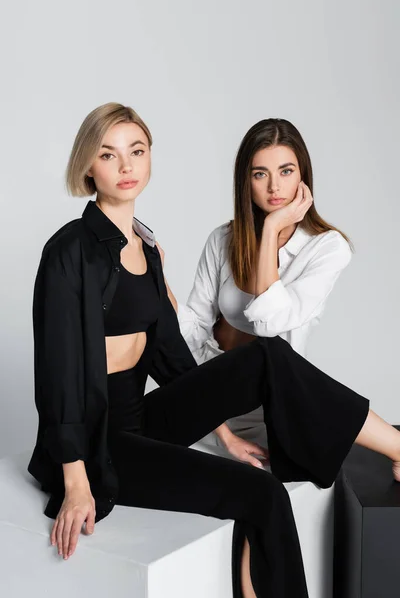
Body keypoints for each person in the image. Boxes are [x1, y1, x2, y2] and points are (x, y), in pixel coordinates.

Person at [27, 103, 400, 598]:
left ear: (150, 158)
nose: (126, 167)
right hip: (100, 447)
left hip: (141, 419)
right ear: (87, 166)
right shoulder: (68, 251)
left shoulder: (145, 245)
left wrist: (221, 433)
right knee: (262, 494)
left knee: (267, 355)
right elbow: (58, 373)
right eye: (109, 155)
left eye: (136, 151)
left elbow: (169, 355)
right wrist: (75, 481)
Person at [167, 118, 355, 468]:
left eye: (286, 171)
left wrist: (271, 230)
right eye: (260, 174)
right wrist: (158, 290)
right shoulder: (224, 238)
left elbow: (271, 325)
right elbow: (193, 324)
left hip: (270, 403)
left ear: (303, 176)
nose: (274, 187)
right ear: (245, 181)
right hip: (208, 390)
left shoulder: (328, 248)